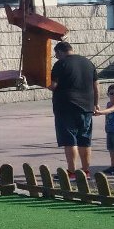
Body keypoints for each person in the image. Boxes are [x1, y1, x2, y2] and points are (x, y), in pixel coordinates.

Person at [49, 41, 99, 177]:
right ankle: (86, 171)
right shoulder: (88, 63)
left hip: (66, 107)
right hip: (87, 106)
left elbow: (53, 85)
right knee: (85, 139)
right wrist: (95, 103)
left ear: (59, 52)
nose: (56, 57)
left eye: (56, 54)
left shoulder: (60, 64)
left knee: (70, 140)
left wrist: (43, 82)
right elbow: (96, 85)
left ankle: (71, 171)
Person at [94, 84, 114, 175]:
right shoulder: (108, 103)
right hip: (110, 130)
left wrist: (99, 112)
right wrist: (106, 126)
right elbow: (108, 116)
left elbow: (110, 111)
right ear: (108, 94)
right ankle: (113, 166)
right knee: (111, 150)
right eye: (112, 94)